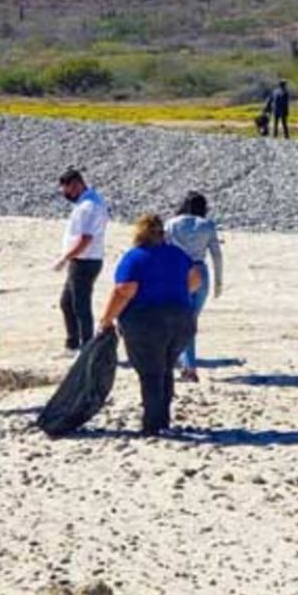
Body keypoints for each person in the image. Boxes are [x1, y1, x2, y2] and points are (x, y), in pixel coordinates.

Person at [98, 214, 201, 435]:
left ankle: (153, 424)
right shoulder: (178, 254)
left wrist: (106, 319)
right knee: (165, 368)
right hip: (181, 318)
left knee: (150, 372)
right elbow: (195, 280)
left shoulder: (135, 258)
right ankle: (163, 419)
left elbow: (124, 290)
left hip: (146, 322)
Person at [165, 191, 223, 382]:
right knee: (190, 320)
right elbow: (216, 255)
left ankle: (187, 366)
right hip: (201, 272)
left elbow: (163, 249)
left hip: (178, 272)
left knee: (180, 320)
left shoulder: (172, 224)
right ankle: (184, 362)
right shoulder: (207, 225)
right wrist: (218, 282)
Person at [53, 168, 109, 356]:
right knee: (66, 303)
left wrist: (65, 258)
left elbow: (86, 239)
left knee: (80, 305)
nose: (66, 195)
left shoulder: (89, 206)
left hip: (85, 261)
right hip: (80, 260)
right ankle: (72, 344)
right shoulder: (85, 203)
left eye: (67, 190)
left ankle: (86, 347)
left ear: (76, 185)